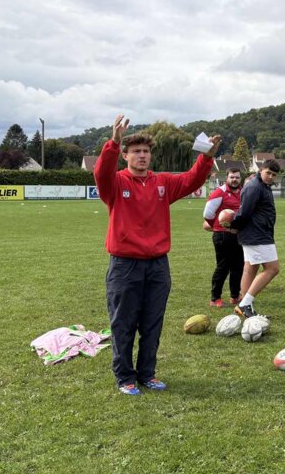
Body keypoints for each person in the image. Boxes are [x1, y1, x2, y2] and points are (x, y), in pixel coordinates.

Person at [94, 114, 220, 395]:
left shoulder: (161, 182)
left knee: (152, 323)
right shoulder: (115, 183)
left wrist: (206, 157)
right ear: (125, 156)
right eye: (136, 151)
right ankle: (125, 377)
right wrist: (113, 142)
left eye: (146, 151)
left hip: (157, 266)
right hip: (124, 266)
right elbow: (101, 172)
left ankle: (147, 374)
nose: (142, 155)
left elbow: (190, 180)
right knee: (123, 324)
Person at [222, 159, 281, 318]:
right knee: (273, 269)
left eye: (273, 175)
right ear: (261, 169)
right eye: (268, 172)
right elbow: (244, 212)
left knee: (250, 269)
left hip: (257, 233)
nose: (270, 176)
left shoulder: (262, 185)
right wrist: (234, 225)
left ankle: (245, 306)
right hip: (257, 235)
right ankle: (245, 304)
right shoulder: (254, 186)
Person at [202, 167, 243, 308]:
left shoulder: (242, 192)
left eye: (237, 177)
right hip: (222, 236)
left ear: (240, 178)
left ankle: (235, 296)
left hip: (237, 235)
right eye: (232, 177)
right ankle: (215, 298)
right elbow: (207, 213)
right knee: (223, 267)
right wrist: (218, 228)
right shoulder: (219, 192)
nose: (234, 179)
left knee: (238, 267)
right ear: (227, 178)